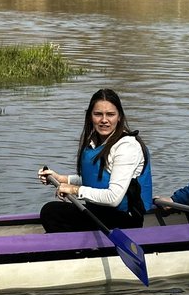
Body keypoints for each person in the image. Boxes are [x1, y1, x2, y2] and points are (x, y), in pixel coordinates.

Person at [36, 88, 152, 233]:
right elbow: (98, 180)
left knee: (51, 211)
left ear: (119, 117)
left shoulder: (127, 147)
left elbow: (113, 198)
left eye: (110, 114)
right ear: (90, 116)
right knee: (51, 212)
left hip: (124, 220)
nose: (104, 120)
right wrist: (62, 179)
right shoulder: (95, 142)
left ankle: (77, 251)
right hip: (101, 214)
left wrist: (74, 190)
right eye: (98, 114)